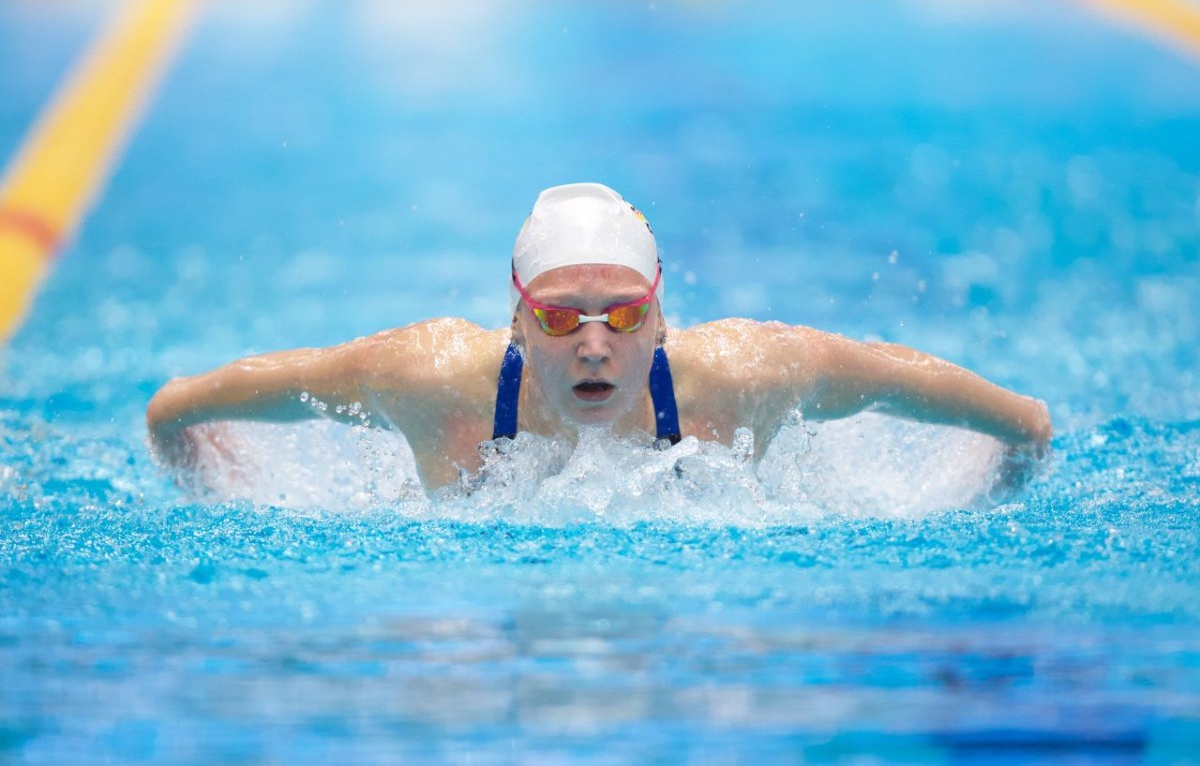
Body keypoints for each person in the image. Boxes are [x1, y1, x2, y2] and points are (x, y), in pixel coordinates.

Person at [147, 182, 1052, 491]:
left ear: (662, 318)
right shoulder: (428, 382)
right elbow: (175, 413)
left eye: (621, 315)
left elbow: (906, 379)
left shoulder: (744, 376)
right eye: (557, 316)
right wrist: (209, 480)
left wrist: (1021, 440)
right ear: (515, 320)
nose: (592, 345)